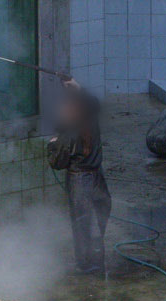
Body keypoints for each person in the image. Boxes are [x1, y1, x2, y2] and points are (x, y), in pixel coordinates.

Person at [47, 78, 112, 275]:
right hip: (96, 176)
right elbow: (93, 103)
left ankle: (87, 265)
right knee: (97, 218)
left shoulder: (69, 135)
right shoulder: (89, 117)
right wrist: (79, 89)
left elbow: (57, 163)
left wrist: (52, 144)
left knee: (83, 224)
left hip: (79, 179)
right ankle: (96, 261)